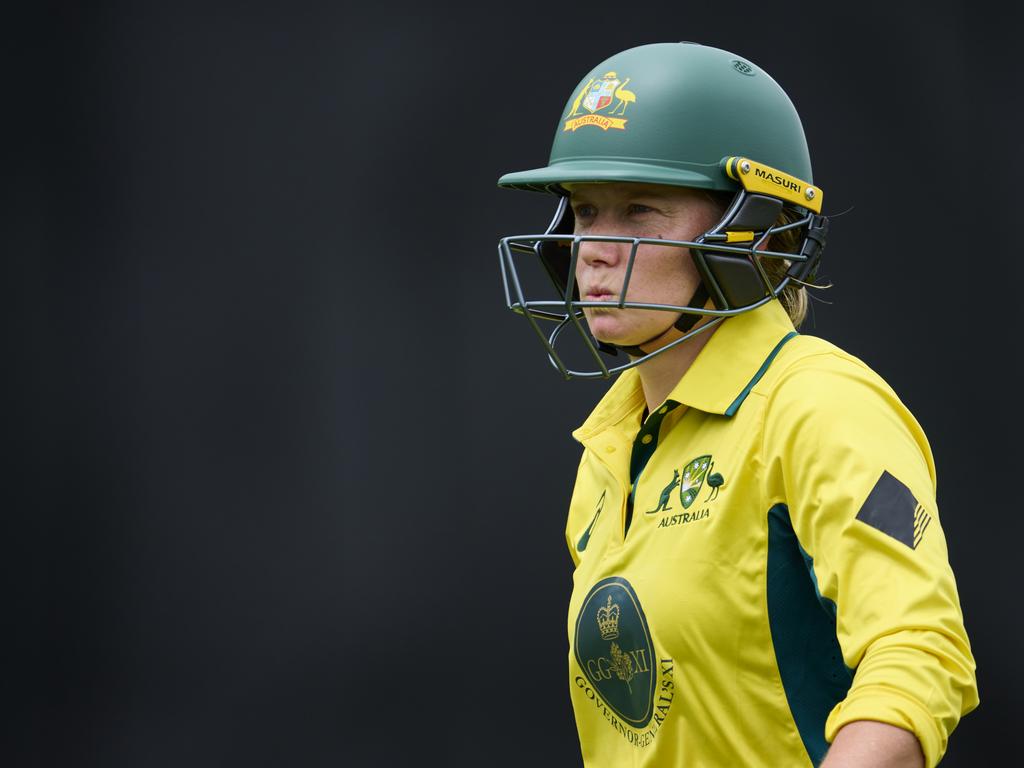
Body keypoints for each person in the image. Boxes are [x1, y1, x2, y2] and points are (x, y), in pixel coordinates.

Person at [496, 42, 977, 768]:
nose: (592, 247)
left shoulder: (819, 407)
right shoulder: (612, 440)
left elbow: (921, 651)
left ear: (755, 230)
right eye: (586, 210)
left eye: (640, 210)